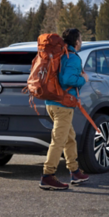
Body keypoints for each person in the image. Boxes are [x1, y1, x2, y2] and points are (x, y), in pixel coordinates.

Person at [39, 28, 91, 190]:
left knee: (69, 137)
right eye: (80, 39)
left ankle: (74, 171)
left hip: (51, 103)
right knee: (59, 140)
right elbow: (67, 79)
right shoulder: (73, 58)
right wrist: (83, 79)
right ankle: (48, 175)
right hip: (63, 105)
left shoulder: (60, 55)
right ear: (76, 42)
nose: (81, 42)